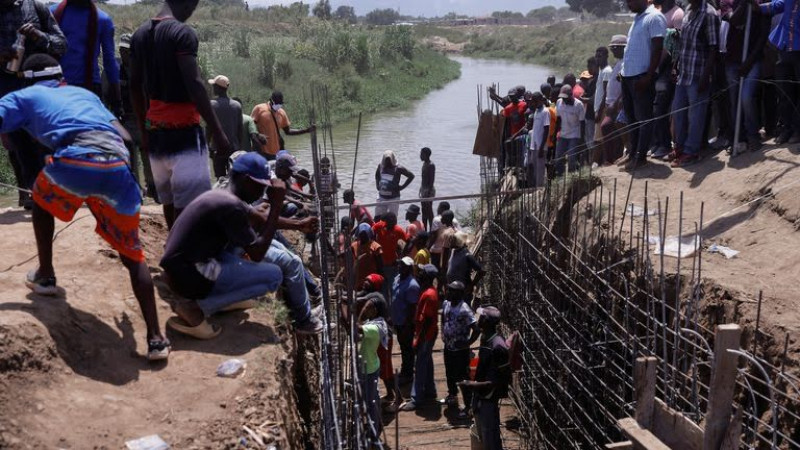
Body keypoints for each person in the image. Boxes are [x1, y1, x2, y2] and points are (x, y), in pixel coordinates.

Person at [1, 54, 170, 361]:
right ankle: (156, 338)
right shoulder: (85, 94)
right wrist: (126, 182)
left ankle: (46, 276)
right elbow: (127, 137)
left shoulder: (24, 94)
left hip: (76, 157)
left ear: (26, 77)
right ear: (60, 78)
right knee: (133, 255)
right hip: (118, 164)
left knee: (40, 200)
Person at [159, 152, 322, 338]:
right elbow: (257, 253)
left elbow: (258, 218)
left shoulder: (223, 195)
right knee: (274, 276)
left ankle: (223, 300)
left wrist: (299, 225)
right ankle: (196, 308)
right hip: (190, 274)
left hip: (184, 266)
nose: (263, 193)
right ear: (246, 180)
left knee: (276, 258)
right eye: (260, 187)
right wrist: (276, 205)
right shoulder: (231, 206)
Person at [129, 0, 233, 229]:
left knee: (169, 201)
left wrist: (144, 131)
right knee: (191, 205)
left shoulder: (139, 35)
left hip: (155, 132)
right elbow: (195, 85)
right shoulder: (182, 33)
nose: (191, 12)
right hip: (184, 132)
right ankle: (184, 254)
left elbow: (134, 86)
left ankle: (174, 249)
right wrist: (219, 133)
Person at [0, 0, 66, 209]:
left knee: (45, 140)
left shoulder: (35, 7)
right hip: (7, 85)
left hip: (39, 86)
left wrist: (39, 36)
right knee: (17, 142)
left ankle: (49, 192)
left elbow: (62, 45)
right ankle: (29, 193)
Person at [667, 0, 720, 167]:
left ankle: (692, 151)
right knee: (678, 112)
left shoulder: (709, 14)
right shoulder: (688, 10)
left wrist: (706, 75)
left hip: (698, 74)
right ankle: (680, 147)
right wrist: (676, 64)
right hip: (684, 72)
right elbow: (684, 43)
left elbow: (714, 48)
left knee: (695, 114)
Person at [617, 0, 667, 170]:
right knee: (631, 118)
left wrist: (648, 77)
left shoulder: (654, 17)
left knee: (644, 118)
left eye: (630, 1)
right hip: (628, 76)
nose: (628, 5)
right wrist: (623, 71)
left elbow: (657, 48)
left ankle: (640, 157)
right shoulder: (638, 18)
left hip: (642, 77)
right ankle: (632, 153)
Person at [50, 0, 121, 112]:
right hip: (62, 86)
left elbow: (110, 61)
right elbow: (110, 61)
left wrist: (117, 101)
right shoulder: (51, 14)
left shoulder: (103, 20)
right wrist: (117, 102)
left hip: (83, 87)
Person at [458, 307, 511, 450]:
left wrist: (471, 385)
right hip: (481, 394)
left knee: (490, 436)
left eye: (480, 317)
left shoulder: (497, 346)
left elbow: (495, 382)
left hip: (489, 397)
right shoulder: (485, 338)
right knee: (482, 434)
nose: (477, 319)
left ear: (486, 322)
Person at [752, 0, 800, 145]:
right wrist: (751, 3)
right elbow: (767, 8)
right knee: (784, 93)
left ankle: (798, 130)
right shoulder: (787, 1)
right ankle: (787, 128)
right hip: (783, 51)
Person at [725, 0, 769, 153]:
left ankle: (753, 136)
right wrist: (744, 3)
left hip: (752, 60)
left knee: (746, 97)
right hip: (733, 60)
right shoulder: (730, 3)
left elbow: (763, 37)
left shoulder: (763, 4)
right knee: (734, 100)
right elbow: (734, 20)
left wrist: (749, 62)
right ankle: (739, 138)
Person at [117, 33, 157, 200]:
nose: (123, 53)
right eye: (121, 50)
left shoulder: (145, 69)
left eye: (126, 50)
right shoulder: (116, 70)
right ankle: (135, 188)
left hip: (146, 117)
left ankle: (153, 187)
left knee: (148, 154)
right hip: (126, 117)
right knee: (129, 155)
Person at [400, 264, 439, 411]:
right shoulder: (429, 291)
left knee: (420, 365)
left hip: (426, 334)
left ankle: (416, 399)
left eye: (422, 272)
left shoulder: (429, 294)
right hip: (429, 333)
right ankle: (430, 390)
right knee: (427, 361)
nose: (419, 274)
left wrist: (418, 339)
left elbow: (427, 319)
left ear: (427, 276)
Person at [441, 281, 479, 418]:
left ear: (459, 294)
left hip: (460, 351)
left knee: (463, 378)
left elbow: (476, 329)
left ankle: (468, 407)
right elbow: (443, 318)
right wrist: (442, 333)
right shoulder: (446, 303)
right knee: (449, 373)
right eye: (448, 290)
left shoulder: (464, 309)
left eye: (451, 291)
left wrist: (467, 343)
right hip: (448, 347)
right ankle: (452, 396)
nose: (448, 292)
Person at [355, 290, 385, 438]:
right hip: (371, 364)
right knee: (374, 397)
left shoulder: (374, 328)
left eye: (368, 307)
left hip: (369, 368)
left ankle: (373, 433)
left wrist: (346, 310)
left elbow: (354, 329)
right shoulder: (373, 323)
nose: (365, 309)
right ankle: (376, 424)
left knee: (370, 402)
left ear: (375, 310)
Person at [251, 91, 314, 159]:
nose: (278, 105)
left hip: (277, 153)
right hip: (261, 152)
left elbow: (288, 131)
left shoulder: (282, 113)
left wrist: (306, 130)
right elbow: (251, 127)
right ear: (271, 101)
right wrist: (258, 135)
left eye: (280, 103)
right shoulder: (259, 109)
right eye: (277, 103)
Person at [391, 257, 420, 384]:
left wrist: (408, 325)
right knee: (403, 347)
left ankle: (408, 373)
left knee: (407, 349)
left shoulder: (412, 285)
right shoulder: (397, 278)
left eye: (403, 266)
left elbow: (412, 308)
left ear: (409, 268)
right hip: (397, 320)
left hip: (405, 323)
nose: (400, 267)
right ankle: (406, 369)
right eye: (400, 265)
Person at [207, 75, 242, 178]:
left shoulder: (212, 105)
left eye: (214, 86)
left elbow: (209, 128)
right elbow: (239, 129)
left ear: (218, 88)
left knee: (220, 179)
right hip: (233, 149)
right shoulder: (237, 105)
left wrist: (207, 146)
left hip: (218, 150)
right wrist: (239, 148)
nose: (213, 88)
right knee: (234, 178)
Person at [600, 36, 627, 166]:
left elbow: (625, 85)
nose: (612, 51)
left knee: (607, 127)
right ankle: (613, 159)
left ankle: (611, 159)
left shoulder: (625, 63)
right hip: (610, 104)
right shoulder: (618, 63)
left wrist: (616, 103)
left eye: (614, 48)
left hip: (617, 104)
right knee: (613, 132)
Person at [372, 212, 407, 300]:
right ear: (386, 221)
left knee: (393, 289)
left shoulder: (398, 230)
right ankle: (385, 310)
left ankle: (393, 310)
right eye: (392, 222)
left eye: (395, 222)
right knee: (383, 290)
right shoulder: (379, 226)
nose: (394, 224)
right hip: (380, 265)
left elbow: (407, 243)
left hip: (392, 265)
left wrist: (401, 257)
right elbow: (370, 232)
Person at [447, 232, 486, 305]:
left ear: (459, 241)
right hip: (452, 289)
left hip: (462, 291)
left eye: (453, 239)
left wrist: (472, 285)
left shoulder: (467, 255)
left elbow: (481, 271)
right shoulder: (453, 251)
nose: (451, 241)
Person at [555, 84, 586, 175]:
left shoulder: (578, 105)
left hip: (574, 135)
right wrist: (556, 133)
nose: (564, 99)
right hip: (563, 134)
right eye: (562, 97)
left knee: (572, 158)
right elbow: (558, 119)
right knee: (559, 157)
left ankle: (571, 178)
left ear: (571, 95)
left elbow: (582, 123)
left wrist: (581, 139)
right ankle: (560, 177)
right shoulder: (559, 102)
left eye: (565, 97)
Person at [374, 150, 414, 217]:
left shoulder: (398, 168)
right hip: (381, 197)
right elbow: (377, 175)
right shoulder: (380, 166)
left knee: (392, 218)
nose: (387, 162)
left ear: (392, 159)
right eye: (386, 160)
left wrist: (402, 187)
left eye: (389, 160)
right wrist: (377, 185)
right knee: (378, 217)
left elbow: (411, 176)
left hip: (393, 198)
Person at [592, 47, 613, 165]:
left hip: (602, 109)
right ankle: (600, 162)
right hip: (599, 108)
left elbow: (606, 93)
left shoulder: (607, 71)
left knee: (599, 139)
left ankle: (600, 163)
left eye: (600, 56)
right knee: (599, 138)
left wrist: (599, 111)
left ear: (606, 56)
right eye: (596, 56)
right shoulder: (601, 71)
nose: (597, 58)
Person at [524, 91, 549, 187]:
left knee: (540, 169)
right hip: (534, 146)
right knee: (533, 168)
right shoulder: (536, 112)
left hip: (541, 146)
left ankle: (540, 188)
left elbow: (546, 130)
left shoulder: (545, 112)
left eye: (534, 101)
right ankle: (535, 187)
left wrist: (542, 147)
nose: (532, 103)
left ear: (539, 101)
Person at [352, 222, 383, 288]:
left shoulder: (375, 247)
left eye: (365, 234)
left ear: (369, 234)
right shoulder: (354, 246)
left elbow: (380, 266)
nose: (363, 236)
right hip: (358, 283)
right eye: (361, 234)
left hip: (372, 282)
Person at [430, 209, 457, 274]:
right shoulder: (455, 229)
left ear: (446, 219)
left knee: (443, 278)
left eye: (442, 218)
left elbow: (446, 251)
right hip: (453, 260)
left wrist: (443, 267)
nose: (441, 219)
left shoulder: (447, 233)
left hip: (447, 262)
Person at [580, 62, 598, 159]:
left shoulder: (595, 82)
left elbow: (593, 99)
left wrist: (584, 99)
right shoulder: (590, 84)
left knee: (593, 139)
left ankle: (593, 159)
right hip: (588, 115)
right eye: (583, 80)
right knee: (588, 139)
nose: (584, 82)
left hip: (593, 114)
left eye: (586, 79)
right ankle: (591, 159)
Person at [419, 146, 435, 230]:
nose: (420, 156)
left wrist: (428, 193)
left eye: (421, 154)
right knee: (423, 211)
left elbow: (431, 180)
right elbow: (423, 179)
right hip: (423, 189)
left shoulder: (431, 165)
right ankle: (424, 229)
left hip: (429, 191)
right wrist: (421, 189)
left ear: (426, 155)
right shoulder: (424, 163)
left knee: (429, 211)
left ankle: (432, 230)